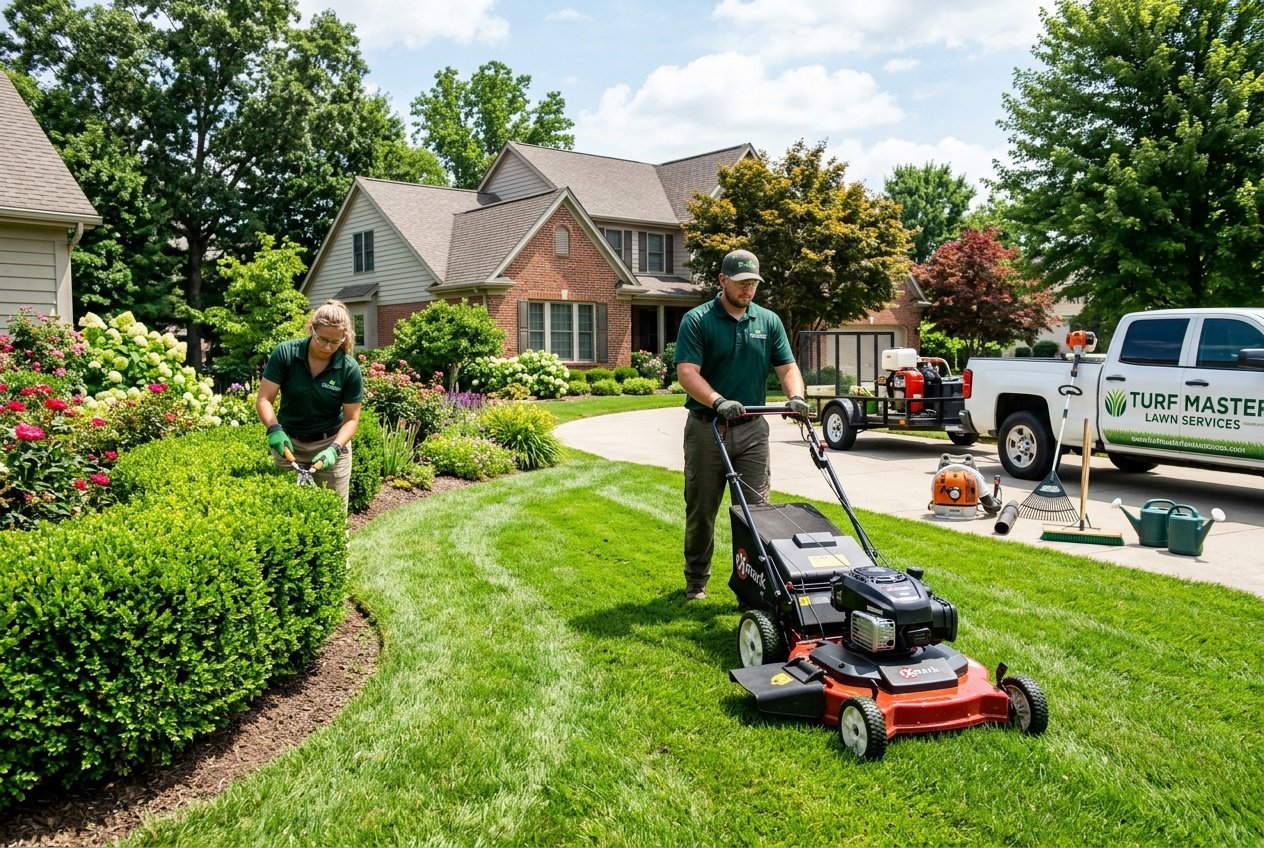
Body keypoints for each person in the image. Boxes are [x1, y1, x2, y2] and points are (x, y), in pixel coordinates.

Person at [673, 249, 808, 601]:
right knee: (702, 509)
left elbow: (787, 367)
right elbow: (687, 373)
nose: (748, 290)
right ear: (722, 280)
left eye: (753, 284)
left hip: (752, 430)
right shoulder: (698, 319)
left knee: (756, 513)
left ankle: (752, 587)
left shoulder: (768, 321)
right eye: (742, 283)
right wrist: (718, 400)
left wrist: (796, 396)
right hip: (708, 427)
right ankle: (696, 581)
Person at [256, 300, 364, 508]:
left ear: (344, 338)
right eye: (321, 339)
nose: (327, 347)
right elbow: (264, 399)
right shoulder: (286, 353)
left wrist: (334, 449)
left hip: (329, 445)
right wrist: (274, 429)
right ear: (311, 328)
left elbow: (351, 419)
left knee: (333, 517)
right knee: (287, 514)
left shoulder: (348, 368)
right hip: (289, 443)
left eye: (335, 342)